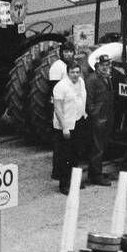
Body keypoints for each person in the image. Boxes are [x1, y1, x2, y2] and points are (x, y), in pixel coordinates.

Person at [51, 62, 89, 195]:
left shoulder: (81, 82)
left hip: (78, 122)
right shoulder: (60, 87)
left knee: (75, 154)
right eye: (73, 72)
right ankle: (64, 184)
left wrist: (83, 113)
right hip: (65, 125)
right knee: (64, 155)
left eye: (77, 72)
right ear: (68, 73)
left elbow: (81, 99)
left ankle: (74, 181)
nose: (75, 75)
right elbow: (58, 108)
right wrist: (64, 128)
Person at [83, 54, 115, 187]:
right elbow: (89, 102)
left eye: (108, 65)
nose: (106, 67)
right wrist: (96, 117)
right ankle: (96, 176)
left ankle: (95, 172)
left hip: (106, 117)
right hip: (98, 119)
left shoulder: (107, 78)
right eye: (103, 65)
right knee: (97, 148)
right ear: (97, 66)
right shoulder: (92, 80)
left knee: (100, 147)